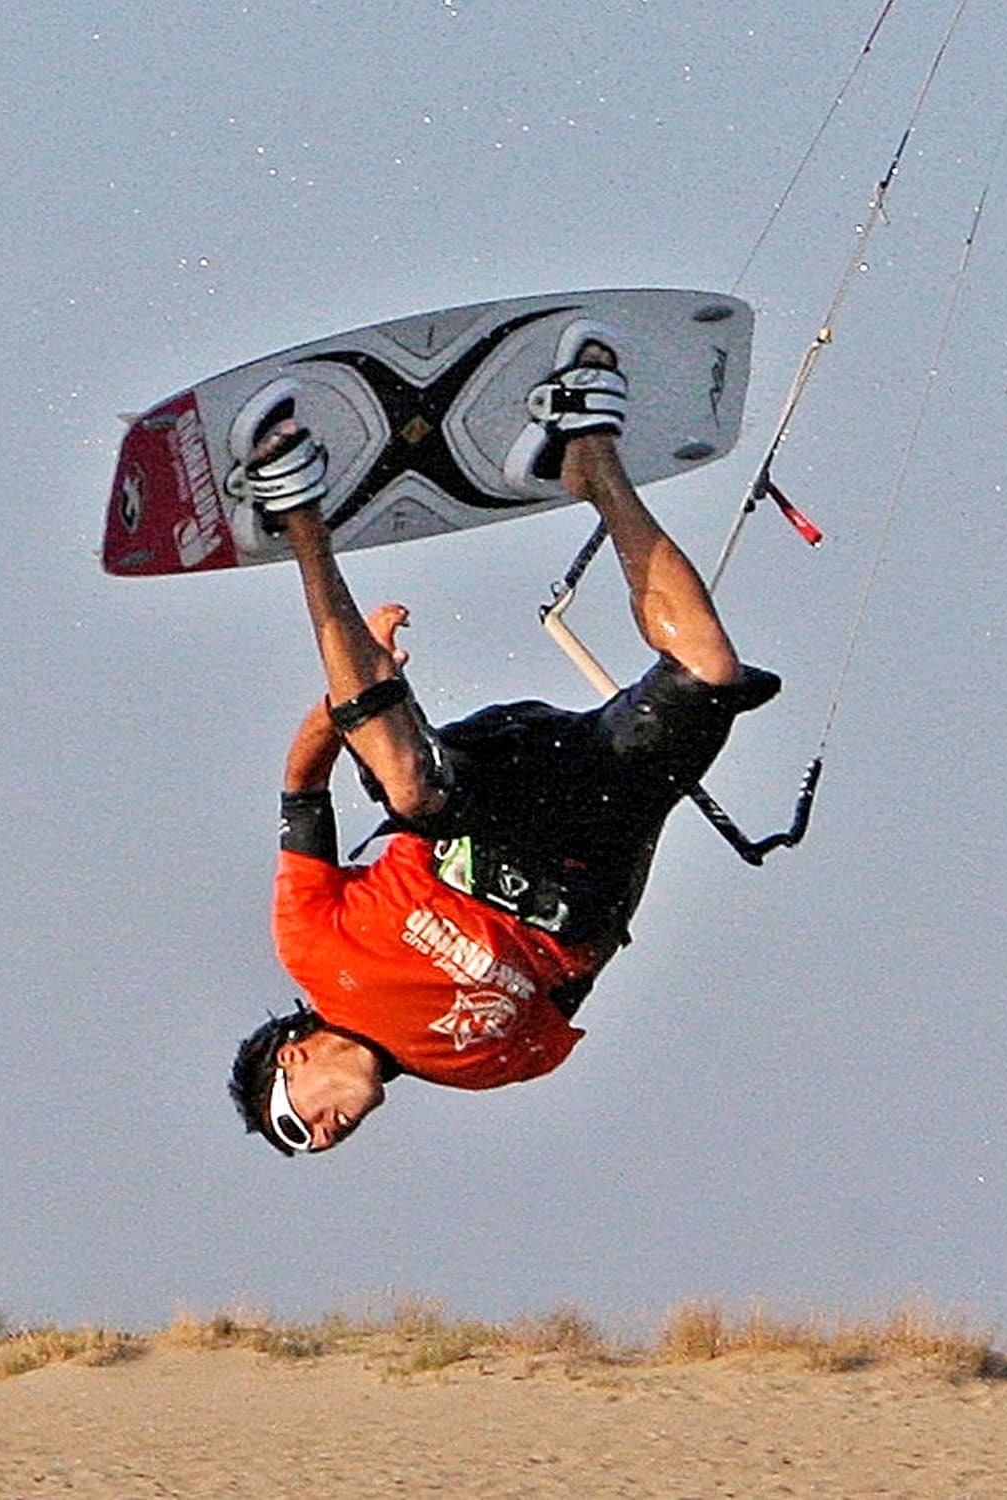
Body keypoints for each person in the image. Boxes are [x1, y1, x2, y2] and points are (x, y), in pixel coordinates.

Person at [228, 328, 780, 1155]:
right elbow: (594, 954)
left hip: (477, 795)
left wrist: (347, 706)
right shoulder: (487, 1067)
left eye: (296, 1121)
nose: (325, 1135)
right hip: (593, 837)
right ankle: (591, 459)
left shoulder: (311, 949)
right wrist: (646, 801)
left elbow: (302, 789)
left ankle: (299, 516)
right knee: (709, 669)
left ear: (292, 1058)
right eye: (317, 1145)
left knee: (409, 791)